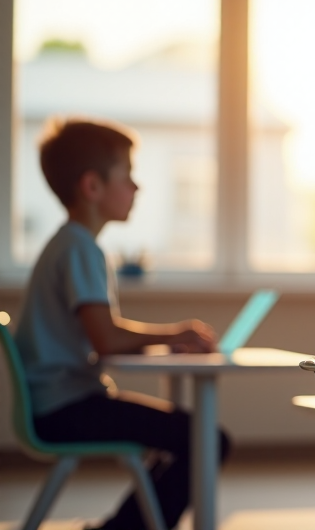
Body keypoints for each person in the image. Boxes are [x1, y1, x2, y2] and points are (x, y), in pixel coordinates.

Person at [13, 119, 229, 530]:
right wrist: (174, 333)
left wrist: (163, 340)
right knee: (207, 439)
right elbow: (107, 339)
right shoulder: (80, 248)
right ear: (92, 186)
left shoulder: (71, 244)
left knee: (187, 435)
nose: (137, 187)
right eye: (127, 175)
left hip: (57, 403)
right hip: (66, 408)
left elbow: (103, 333)